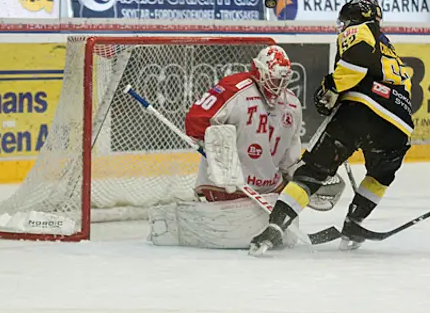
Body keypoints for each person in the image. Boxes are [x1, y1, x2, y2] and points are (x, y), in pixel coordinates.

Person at [249, 0, 414, 254]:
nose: (342, 26)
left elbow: (356, 63)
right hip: (399, 123)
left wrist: (330, 87)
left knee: (313, 171)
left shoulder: (359, 29)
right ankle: (354, 222)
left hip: (363, 109)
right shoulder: (388, 47)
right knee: (380, 176)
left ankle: (276, 226)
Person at [147, 45, 344, 249]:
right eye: (275, 78)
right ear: (260, 71)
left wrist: (302, 181)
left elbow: (290, 159)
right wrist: (218, 151)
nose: (279, 85)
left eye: (283, 80)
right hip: (226, 187)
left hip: (269, 191)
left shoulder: (292, 105)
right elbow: (195, 121)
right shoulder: (234, 89)